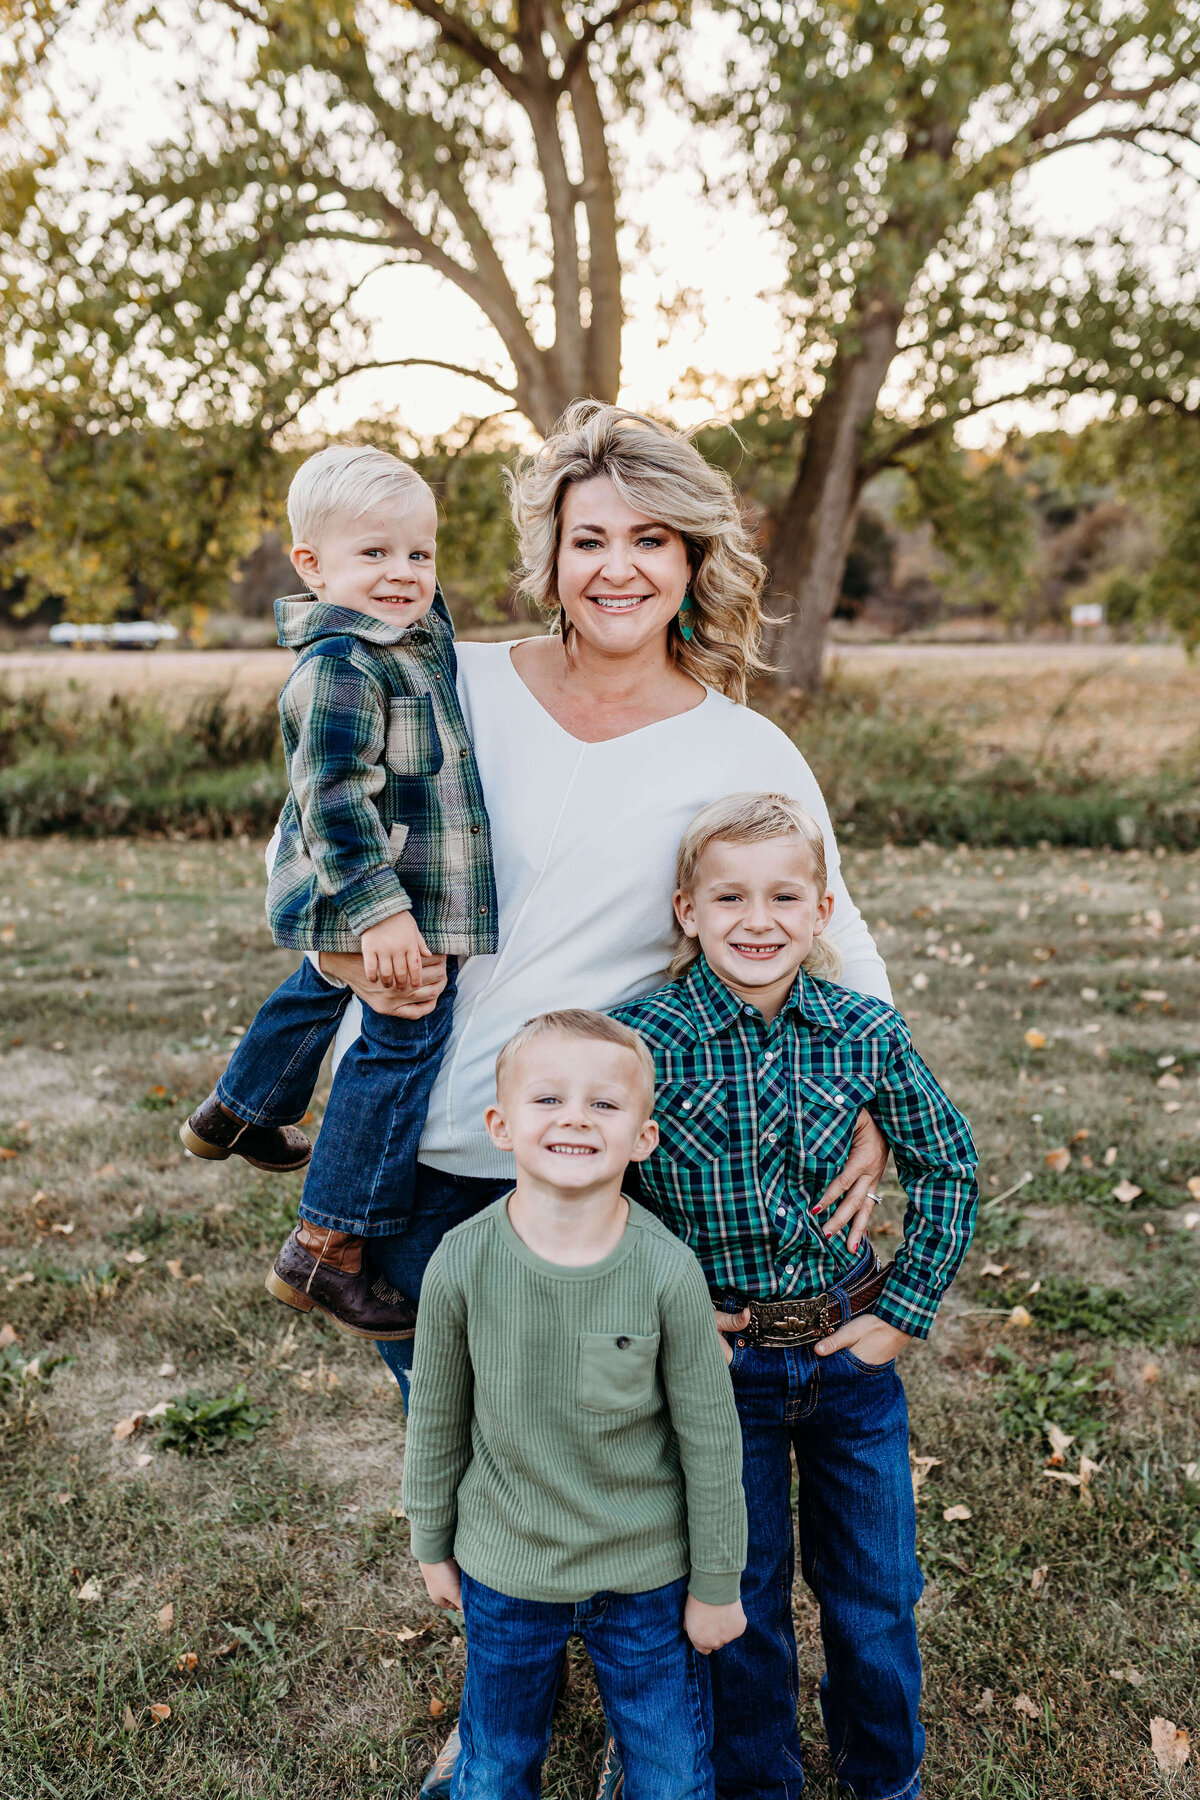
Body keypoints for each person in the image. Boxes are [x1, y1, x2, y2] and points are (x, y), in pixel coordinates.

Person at [294, 402, 895, 1797]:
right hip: (420, 1145)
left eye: (650, 540)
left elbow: (840, 940)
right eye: (588, 539)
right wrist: (337, 946)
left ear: (693, 561)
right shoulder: (460, 683)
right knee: (484, 1441)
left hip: (611, 1162)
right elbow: (327, 831)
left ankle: (651, 1707)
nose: (617, 567)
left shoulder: (744, 747)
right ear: (548, 555)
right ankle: (502, 1689)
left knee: (628, 1452)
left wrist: (869, 1095)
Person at [610, 792, 980, 1800]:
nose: (757, 919)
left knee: (876, 1596)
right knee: (742, 1597)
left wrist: (901, 1314)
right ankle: (758, 1782)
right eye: (729, 896)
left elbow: (947, 1165)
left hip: (846, 1361)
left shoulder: (861, 1032)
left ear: (821, 912)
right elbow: (600, 1200)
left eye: (784, 896)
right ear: (687, 910)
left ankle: (883, 1778)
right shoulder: (639, 1041)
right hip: (715, 1372)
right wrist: (665, 1309)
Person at [179, 445, 497, 1341]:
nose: (403, 573)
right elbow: (329, 799)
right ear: (311, 566)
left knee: (323, 989)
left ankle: (238, 1110)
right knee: (405, 1030)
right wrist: (382, 911)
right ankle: (328, 1247)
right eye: (375, 554)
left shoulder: (407, 638)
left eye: (419, 555)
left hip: (373, 888)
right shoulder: (341, 669)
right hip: (366, 888)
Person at [402, 1009, 748, 1799]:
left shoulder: (665, 1271)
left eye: (604, 1104)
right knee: (496, 1763)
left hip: (645, 1573)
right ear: (500, 1124)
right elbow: (437, 1418)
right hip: (507, 1563)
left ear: (643, 1137)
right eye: (548, 1099)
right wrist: (432, 1537)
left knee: (672, 1772)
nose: (574, 1119)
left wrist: (717, 1580)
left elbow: (709, 1438)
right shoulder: (462, 1261)